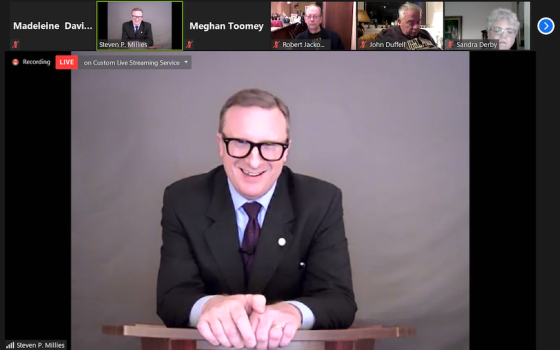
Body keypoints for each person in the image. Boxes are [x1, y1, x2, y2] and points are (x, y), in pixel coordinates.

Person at [156, 88, 357, 350]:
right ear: (220, 144)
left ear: (286, 150)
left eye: (269, 146)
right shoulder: (182, 199)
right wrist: (211, 306)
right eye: (240, 142)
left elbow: (339, 301)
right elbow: (172, 298)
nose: (253, 161)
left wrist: (292, 312)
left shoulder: (320, 201)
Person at [375, 2, 441, 50]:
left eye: (418, 22)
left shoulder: (425, 34)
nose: (416, 27)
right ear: (399, 22)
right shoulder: (386, 36)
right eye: (410, 22)